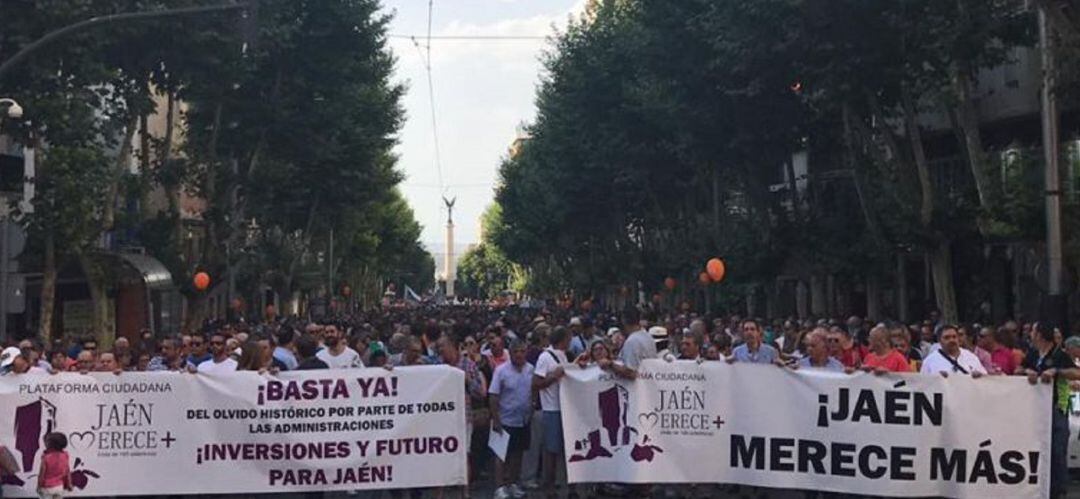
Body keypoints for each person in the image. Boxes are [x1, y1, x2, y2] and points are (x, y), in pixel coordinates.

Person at [1021, 322, 1080, 498]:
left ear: (1039, 334)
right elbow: (1018, 369)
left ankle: (1058, 489)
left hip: (1056, 407)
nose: (1031, 334)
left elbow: (1076, 373)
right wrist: (1027, 371)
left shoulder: (1059, 354)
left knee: (1057, 448)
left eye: (1033, 331)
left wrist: (1057, 371)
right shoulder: (1032, 353)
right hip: (1034, 408)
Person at [489, 340, 534, 499]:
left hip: (523, 419)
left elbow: (533, 390)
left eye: (522, 351)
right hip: (504, 418)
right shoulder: (501, 371)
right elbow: (493, 396)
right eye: (516, 352)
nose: (519, 354)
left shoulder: (530, 369)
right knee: (501, 455)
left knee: (517, 453)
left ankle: (513, 484)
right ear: (511, 353)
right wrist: (496, 419)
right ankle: (500, 487)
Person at [533, 326, 570, 498]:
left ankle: (558, 482)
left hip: (564, 407)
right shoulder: (545, 357)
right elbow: (536, 383)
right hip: (551, 408)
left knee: (560, 449)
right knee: (550, 449)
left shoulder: (563, 355)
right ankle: (548, 485)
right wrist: (554, 376)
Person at [920, 325, 986, 376]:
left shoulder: (970, 357)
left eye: (954, 337)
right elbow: (924, 385)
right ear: (939, 340)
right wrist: (936, 379)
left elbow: (985, 378)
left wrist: (979, 375)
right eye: (947, 337)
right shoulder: (930, 361)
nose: (951, 340)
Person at [36, 432, 71, 499]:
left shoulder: (46, 457)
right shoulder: (65, 455)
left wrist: (39, 486)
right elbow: (67, 470)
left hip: (46, 487)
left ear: (50, 445)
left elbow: (41, 474)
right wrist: (69, 483)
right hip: (59, 486)